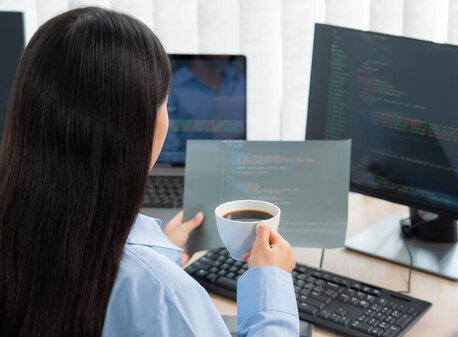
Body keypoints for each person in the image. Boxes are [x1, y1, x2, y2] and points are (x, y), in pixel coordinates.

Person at [0, 7, 298, 337]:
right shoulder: (166, 296)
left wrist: (157, 253)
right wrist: (270, 284)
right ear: (137, 130)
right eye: (165, 103)